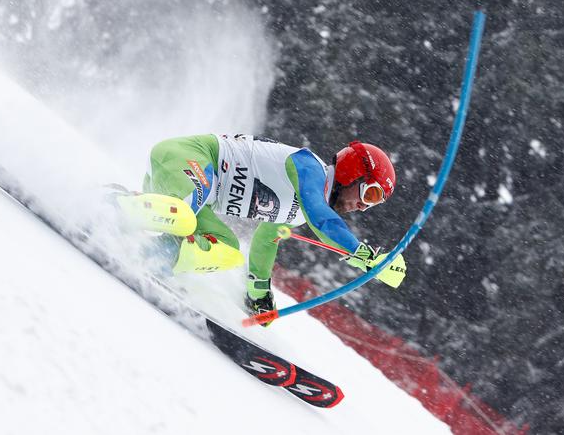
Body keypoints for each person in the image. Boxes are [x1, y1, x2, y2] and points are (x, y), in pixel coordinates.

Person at [142, 133, 401, 320]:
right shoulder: (309, 168)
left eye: (374, 204)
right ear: (352, 173)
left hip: (190, 195)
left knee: (226, 249)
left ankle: (151, 256)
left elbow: (265, 241)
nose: (363, 207)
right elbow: (322, 219)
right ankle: (115, 208)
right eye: (370, 194)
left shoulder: (298, 213)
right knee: (184, 217)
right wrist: (363, 256)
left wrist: (259, 296)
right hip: (188, 162)